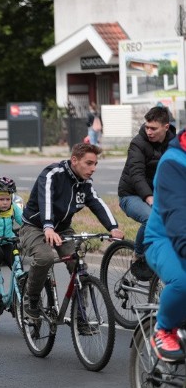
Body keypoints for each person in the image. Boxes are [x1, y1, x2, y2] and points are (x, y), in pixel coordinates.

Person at [19, 143, 124, 318]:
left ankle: (81, 316)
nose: (93, 169)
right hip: (35, 226)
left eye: (95, 164)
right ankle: (32, 298)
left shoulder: (85, 182)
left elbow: (97, 203)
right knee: (45, 258)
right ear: (74, 160)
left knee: (78, 264)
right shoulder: (52, 174)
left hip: (62, 229)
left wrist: (113, 227)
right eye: (89, 163)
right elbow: (46, 200)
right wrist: (48, 227)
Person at [117, 105, 176, 280]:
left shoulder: (174, 144)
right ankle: (139, 255)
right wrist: (149, 197)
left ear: (166, 127)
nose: (148, 131)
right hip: (131, 194)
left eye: (153, 128)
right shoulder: (138, 143)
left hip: (159, 194)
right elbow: (136, 174)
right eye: (147, 127)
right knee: (151, 217)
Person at [145, 126, 186, 361]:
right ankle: (165, 328)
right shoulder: (174, 162)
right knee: (183, 280)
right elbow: (178, 220)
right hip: (165, 238)